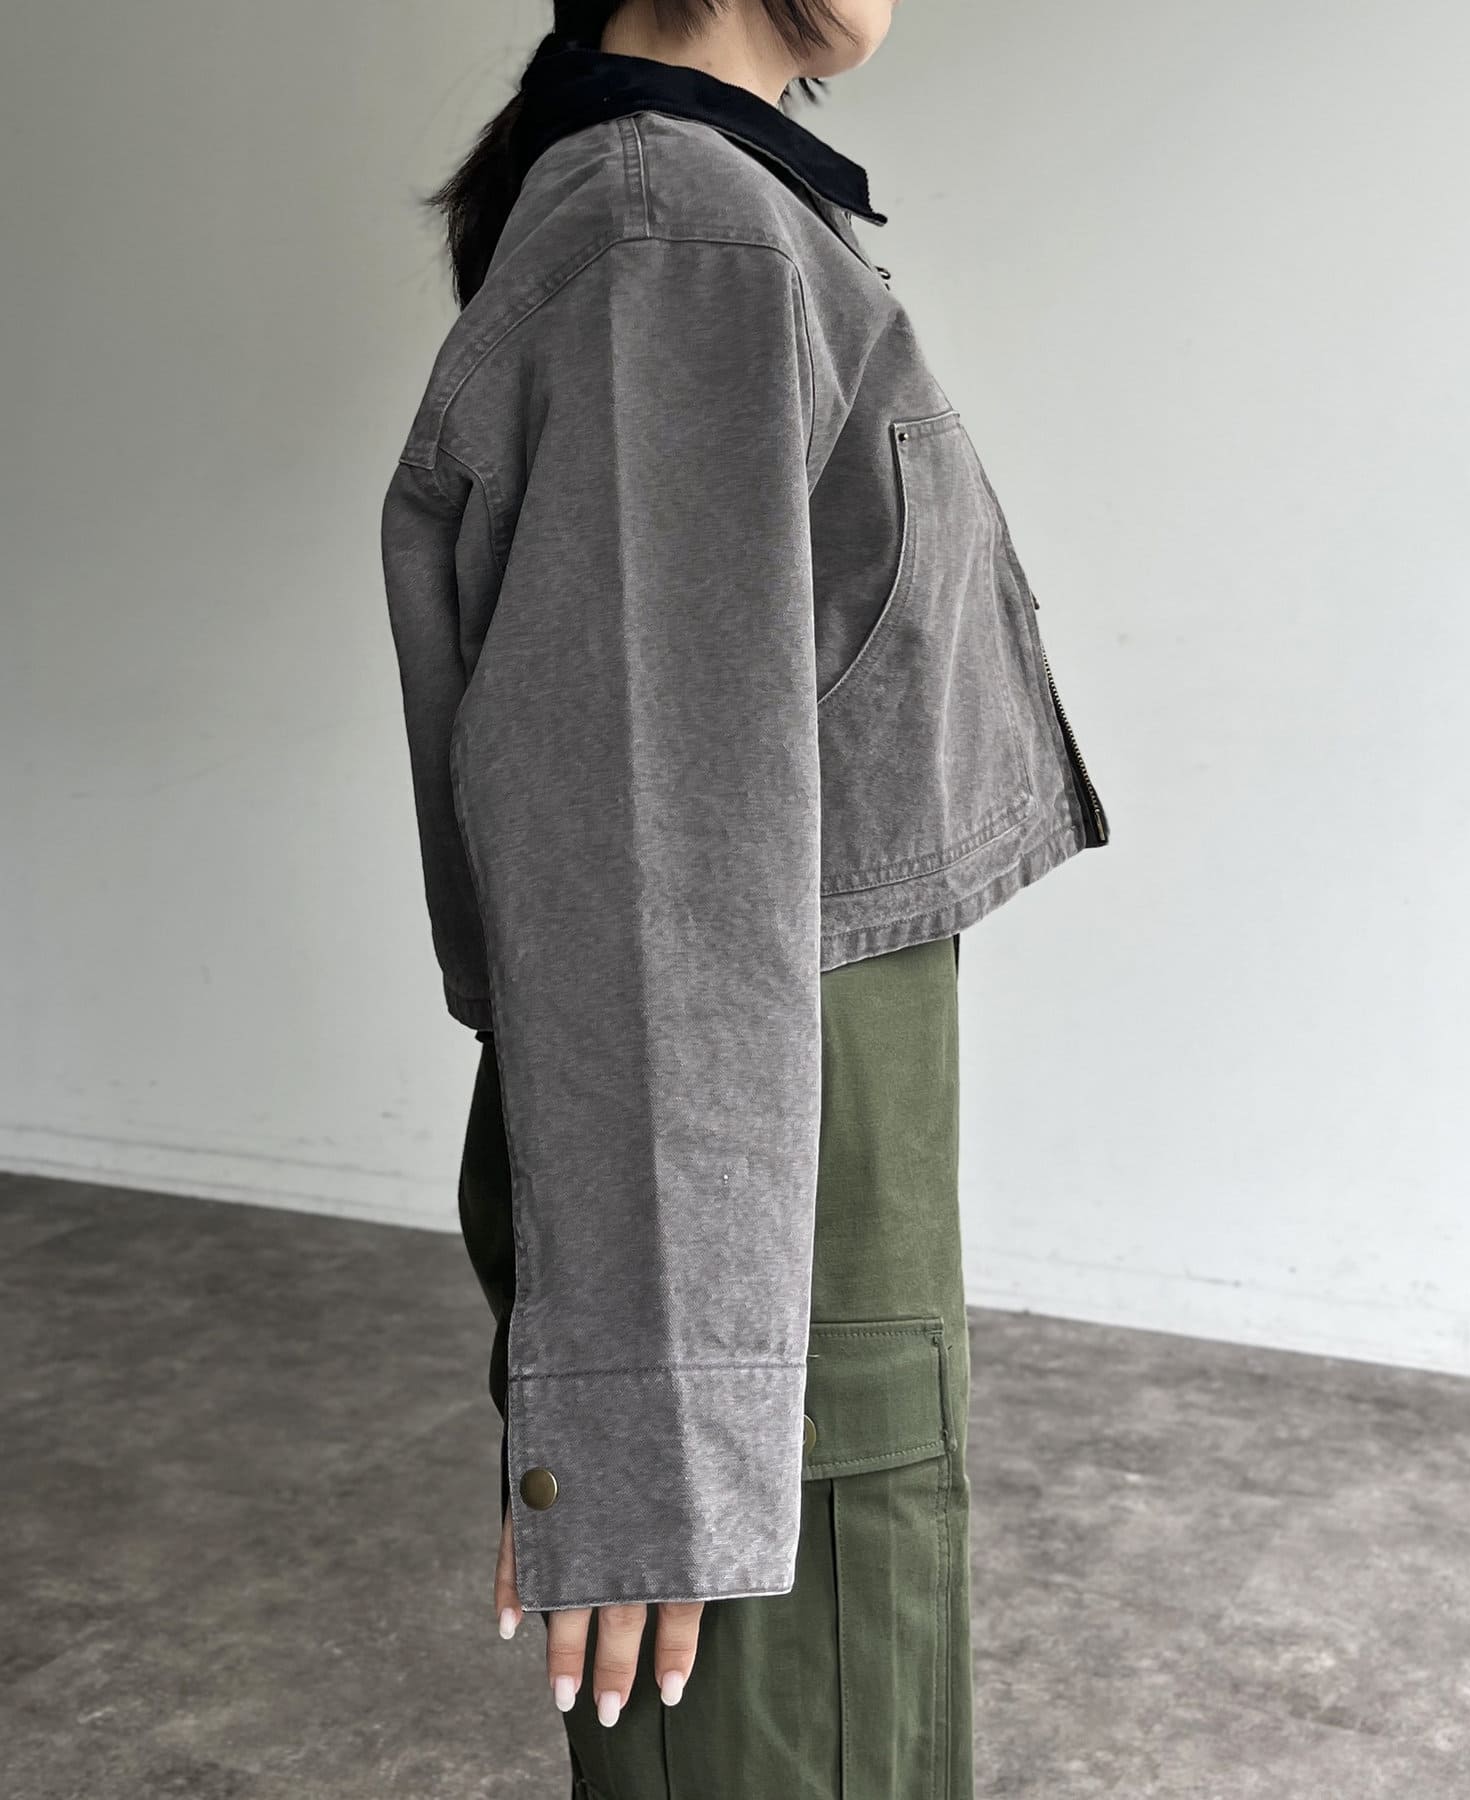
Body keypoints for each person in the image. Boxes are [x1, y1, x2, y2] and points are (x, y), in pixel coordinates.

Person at [381, 2, 1109, 1793]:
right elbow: (639, 845)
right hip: (746, 1104)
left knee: (853, 1681)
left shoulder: (716, 205)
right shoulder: (675, 233)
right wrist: (654, 1410)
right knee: (798, 1719)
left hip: (789, 1086)